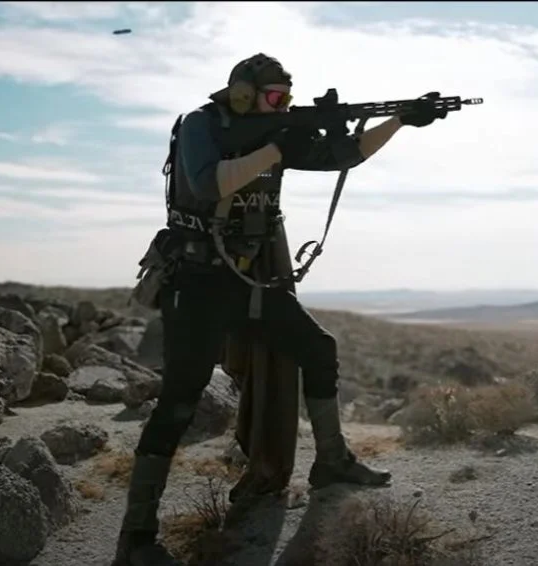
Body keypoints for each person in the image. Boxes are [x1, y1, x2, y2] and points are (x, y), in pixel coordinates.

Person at [116, 53, 444, 566]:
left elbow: (347, 154)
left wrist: (400, 119)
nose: (282, 106)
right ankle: (136, 536)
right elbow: (207, 184)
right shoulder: (202, 125)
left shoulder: (277, 133)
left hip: (248, 281)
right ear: (243, 93)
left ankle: (331, 462)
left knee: (318, 349)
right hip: (198, 284)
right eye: (274, 98)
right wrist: (274, 148)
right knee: (179, 401)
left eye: (287, 99)